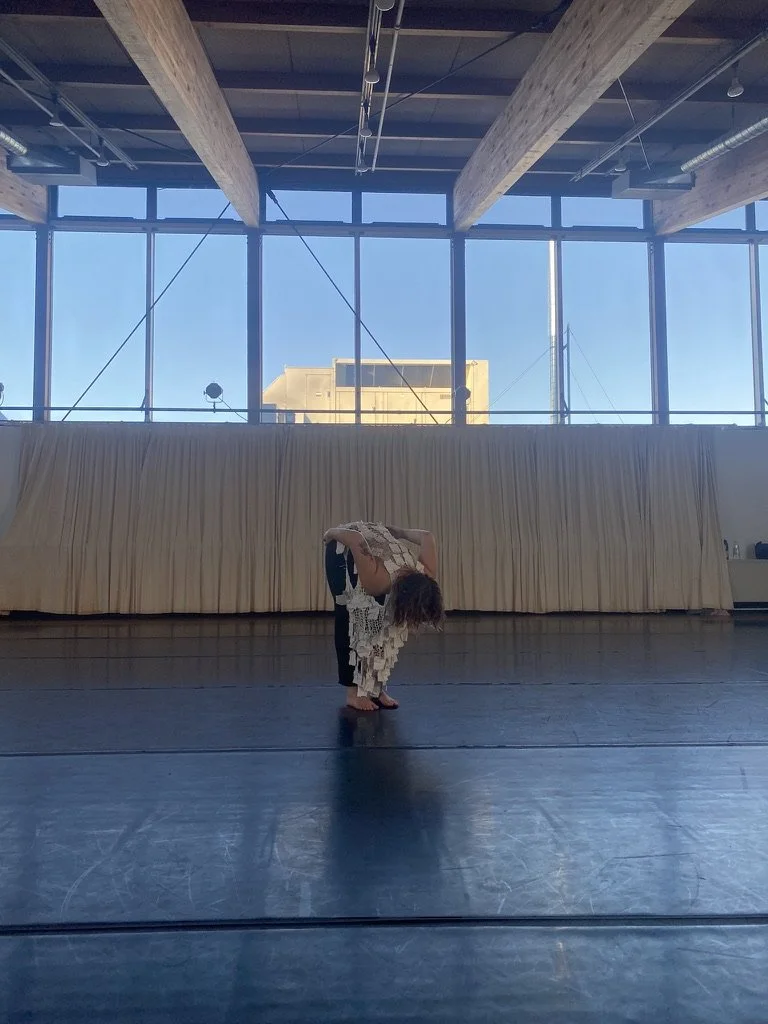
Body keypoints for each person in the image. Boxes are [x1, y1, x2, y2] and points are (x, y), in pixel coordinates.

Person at [323, 522, 444, 711]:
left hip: (377, 546)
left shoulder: (426, 572)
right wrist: (331, 532)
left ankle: (375, 689)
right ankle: (353, 694)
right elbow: (355, 539)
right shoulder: (377, 582)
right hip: (345, 543)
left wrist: (399, 532)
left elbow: (427, 536)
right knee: (351, 618)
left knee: (389, 628)